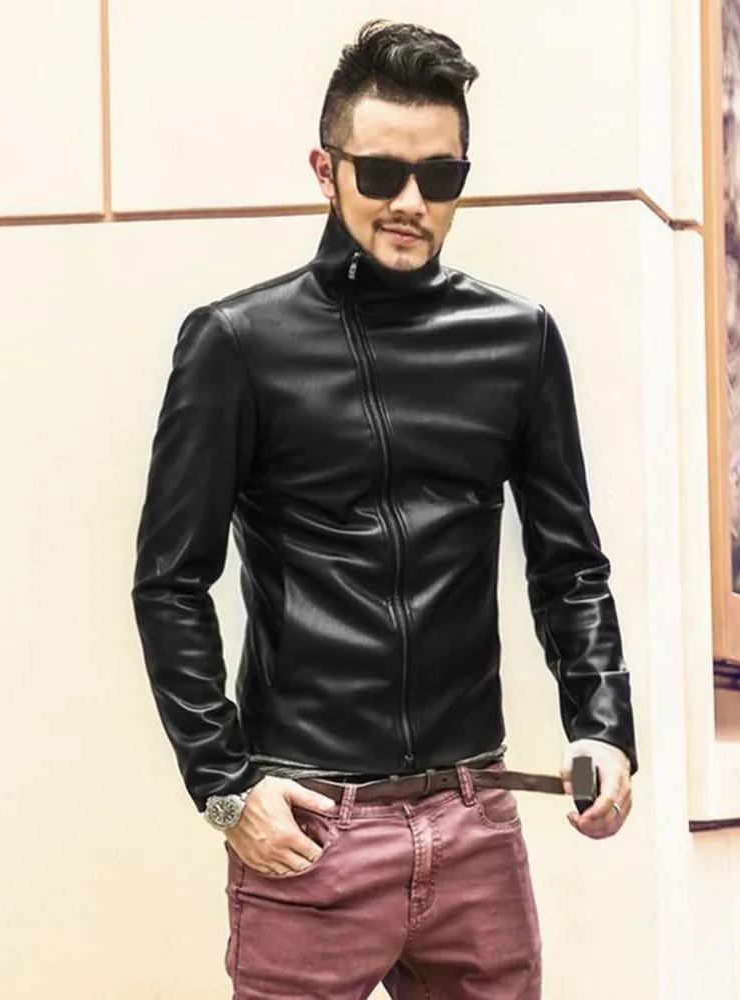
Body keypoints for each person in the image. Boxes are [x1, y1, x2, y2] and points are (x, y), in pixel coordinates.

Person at [131, 19, 638, 1000]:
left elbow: (569, 563)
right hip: (312, 829)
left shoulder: (518, 341)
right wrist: (224, 787)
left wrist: (604, 724)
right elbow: (169, 581)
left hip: (474, 819)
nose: (411, 202)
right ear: (325, 169)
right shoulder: (237, 343)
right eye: (381, 174)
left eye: (439, 176)